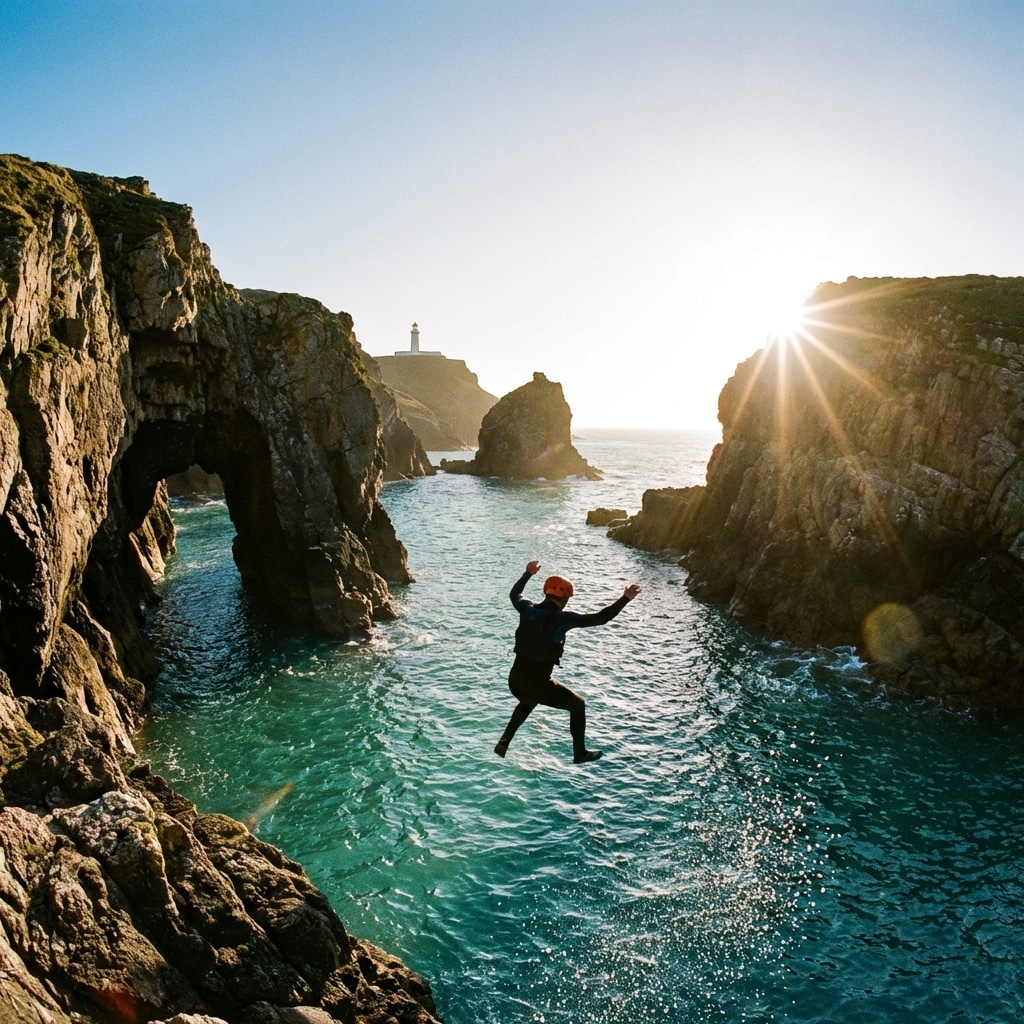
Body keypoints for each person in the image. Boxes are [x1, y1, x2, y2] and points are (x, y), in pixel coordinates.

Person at [494, 559, 642, 764]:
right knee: (577, 705)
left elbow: (514, 594)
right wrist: (625, 598)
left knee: (530, 699)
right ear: (564, 598)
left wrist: (527, 574)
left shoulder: (527, 608)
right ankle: (580, 753)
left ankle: (503, 743)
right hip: (537, 683)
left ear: (546, 592)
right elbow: (601, 618)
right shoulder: (562, 619)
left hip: (515, 681)